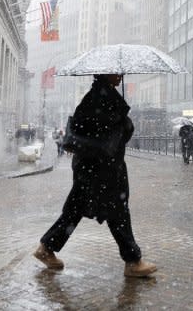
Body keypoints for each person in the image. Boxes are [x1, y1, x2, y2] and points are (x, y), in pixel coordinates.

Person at [33, 73, 157, 278]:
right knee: (117, 213)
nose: (121, 75)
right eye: (116, 72)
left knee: (77, 210)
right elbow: (108, 138)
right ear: (106, 74)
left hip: (93, 168)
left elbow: (99, 133)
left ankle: (46, 248)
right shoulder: (102, 98)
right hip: (101, 169)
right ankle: (133, 261)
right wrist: (125, 125)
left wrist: (122, 123)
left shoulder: (100, 95)